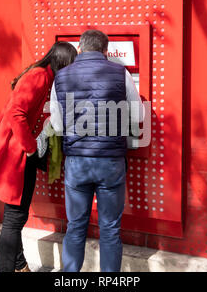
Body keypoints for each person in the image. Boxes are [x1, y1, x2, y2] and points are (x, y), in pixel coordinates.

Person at [0, 41, 77, 272]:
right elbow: (16, 113)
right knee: (14, 219)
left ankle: (20, 266)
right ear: (63, 63)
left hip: (17, 152)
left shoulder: (42, 75)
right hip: (16, 154)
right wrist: (31, 148)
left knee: (14, 216)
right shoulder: (39, 77)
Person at [50, 30, 144, 272]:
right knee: (110, 228)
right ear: (106, 51)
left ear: (79, 49)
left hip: (77, 163)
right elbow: (139, 116)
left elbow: (58, 126)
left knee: (75, 225)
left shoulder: (60, 77)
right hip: (111, 162)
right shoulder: (120, 73)